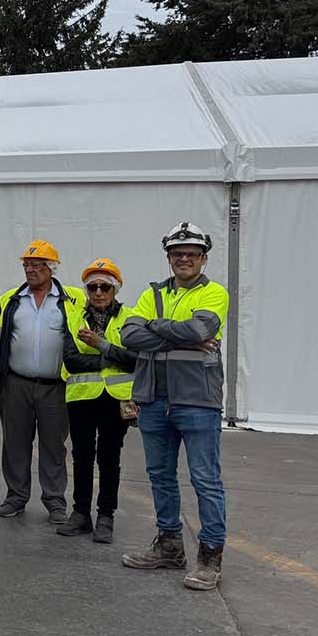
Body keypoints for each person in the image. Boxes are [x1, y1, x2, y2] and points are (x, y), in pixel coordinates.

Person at [120, 222, 230, 591]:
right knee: (160, 476)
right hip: (153, 398)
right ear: (169, 257)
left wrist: (153, 328)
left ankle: (210, 556)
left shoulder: (215, 293)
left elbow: (198, 332)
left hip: (197, 399)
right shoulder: (153, 293)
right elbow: (129, 335)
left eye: (191, 254)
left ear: (203, 258)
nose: (184, 259)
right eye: (177, 254)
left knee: (205, 480)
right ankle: (169, 547)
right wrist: (169, 329)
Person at [0, 240, 84, 522]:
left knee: (54, 445)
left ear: (51, 268)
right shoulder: (10, 299)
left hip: (55, 386)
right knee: (15, 443)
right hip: (16, 383)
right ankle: (16, 496)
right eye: (27, 265)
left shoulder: (72, 299)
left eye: (37, 265)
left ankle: (55, 499)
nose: (30, 270)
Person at [58, 259, 135, 543]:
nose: (99, 292)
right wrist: (111, 358)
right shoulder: (73, 317)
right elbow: (71, 360)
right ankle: (80, 513)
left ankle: (106, 515)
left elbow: (137, 360)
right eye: (93, 287)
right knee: (81, 457)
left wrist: (100, 348)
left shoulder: (131, 318)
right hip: (81, 398)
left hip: (118, 401)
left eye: (105, 287)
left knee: (109, 458)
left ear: (115, 289)